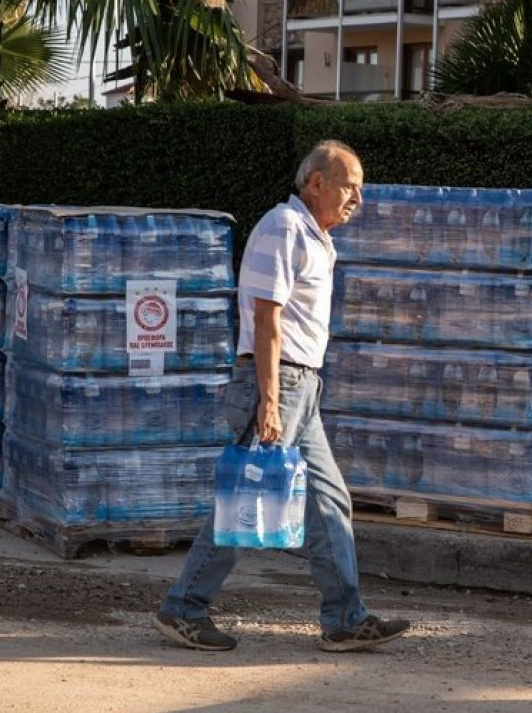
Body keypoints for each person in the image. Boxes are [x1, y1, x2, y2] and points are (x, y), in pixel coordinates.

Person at [156, 140, 411, 653]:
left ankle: (344, 618)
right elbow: (265, 318)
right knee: (244, 503)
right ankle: (183, 608)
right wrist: (269, 401)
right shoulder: (283, 227)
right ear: (316, 182)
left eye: (361, 190)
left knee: (329, 501)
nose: (357, 199)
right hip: (278, 383)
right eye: (350, 187)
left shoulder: (316, 237)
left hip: (303, 388)